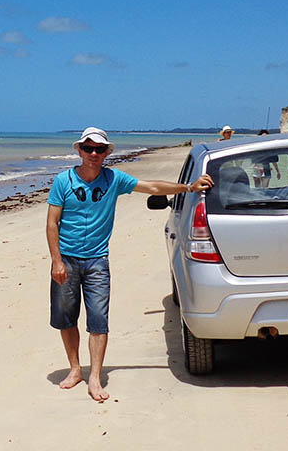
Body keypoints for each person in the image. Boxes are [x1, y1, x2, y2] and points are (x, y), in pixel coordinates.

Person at [47, 127, 212, 402]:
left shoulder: (114, 179)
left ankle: (95, 377)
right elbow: (52, 223)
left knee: (98, 320)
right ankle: (75, 369)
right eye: (88, 148)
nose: (94, 154)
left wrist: (189, 187)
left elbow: (153, 187)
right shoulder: (63, 181)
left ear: (107, 153)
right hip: (66, 259)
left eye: (100, 149)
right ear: (79, 150)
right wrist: (56, 261)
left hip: (98, 260)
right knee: (66, 317)